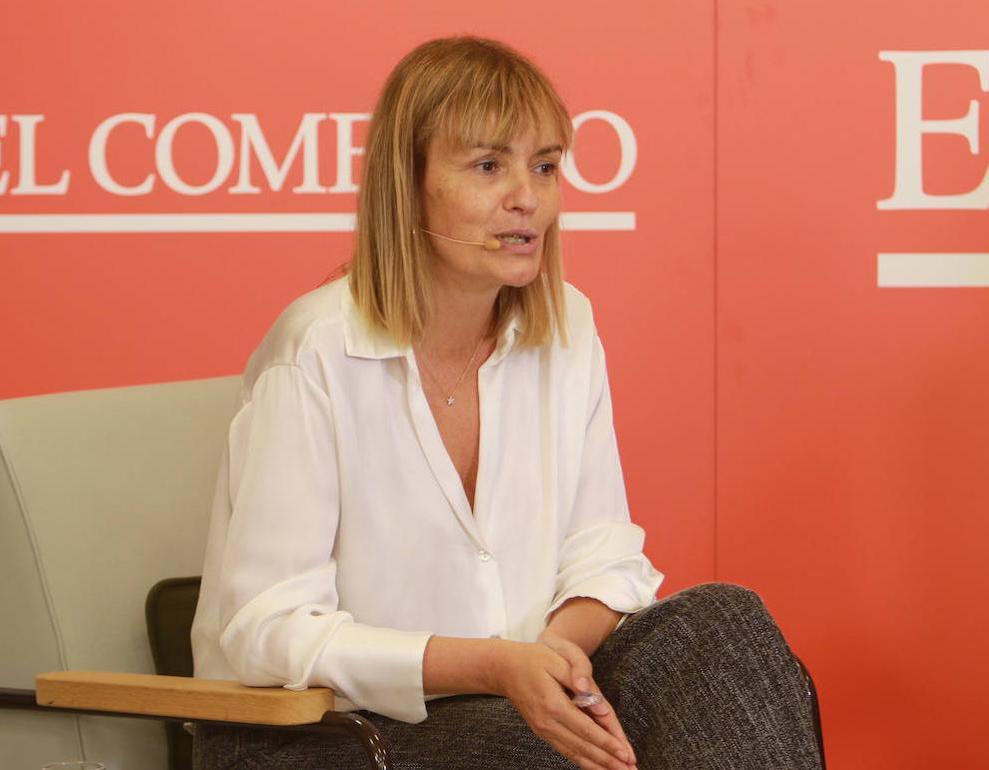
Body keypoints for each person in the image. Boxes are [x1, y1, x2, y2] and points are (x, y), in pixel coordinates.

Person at [190, 36, 822, 770]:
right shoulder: (315, 351)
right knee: (540, 750)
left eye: (545, 166)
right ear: (408, 184)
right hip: (315, 734)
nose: (528, 196)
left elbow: (605, 557)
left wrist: (550, 660)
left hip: (504, 707)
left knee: (721, 626)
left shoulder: (568, 327)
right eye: (489, 165)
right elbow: (267, 630)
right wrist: (496, 667)